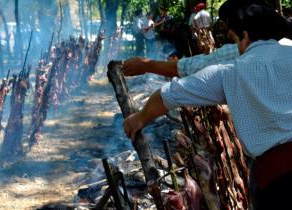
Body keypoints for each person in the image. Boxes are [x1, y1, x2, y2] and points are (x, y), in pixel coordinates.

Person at [123, 2, 292, 209]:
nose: (235, 46)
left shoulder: (230, 72)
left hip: (277, 182)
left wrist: (139, 118)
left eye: (234, 38)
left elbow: (169, 94)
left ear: (245, 36)